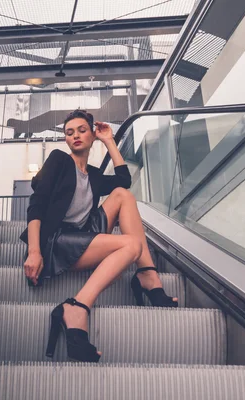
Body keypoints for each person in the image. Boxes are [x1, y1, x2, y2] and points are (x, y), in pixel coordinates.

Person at [20, 109, 177, 363]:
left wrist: (109, 141)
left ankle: (147, 274)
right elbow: (36, 204)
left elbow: (124, 180)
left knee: (123, 196)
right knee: (131, 245)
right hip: (56, 243)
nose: (75, 136)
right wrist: (34, 251)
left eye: (82, 130)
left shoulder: (92, 175)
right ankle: (77, 307)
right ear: (66, 139)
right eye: (70, 133)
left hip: (84, 236)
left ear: (92, 135)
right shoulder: (59, 160)